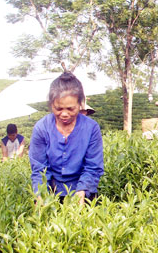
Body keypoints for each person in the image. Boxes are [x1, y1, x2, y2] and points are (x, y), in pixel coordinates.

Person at [29, 72, 104, 203]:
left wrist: (82, 190)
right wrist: (41, 195)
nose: (64, 114)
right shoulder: (42, 128)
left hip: (83, 193)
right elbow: (40, 169)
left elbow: (93, 166)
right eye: (58, 108)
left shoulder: (91, 128)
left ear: (80, 104)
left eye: (70, 109)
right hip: (52, 194)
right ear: (51, 104)